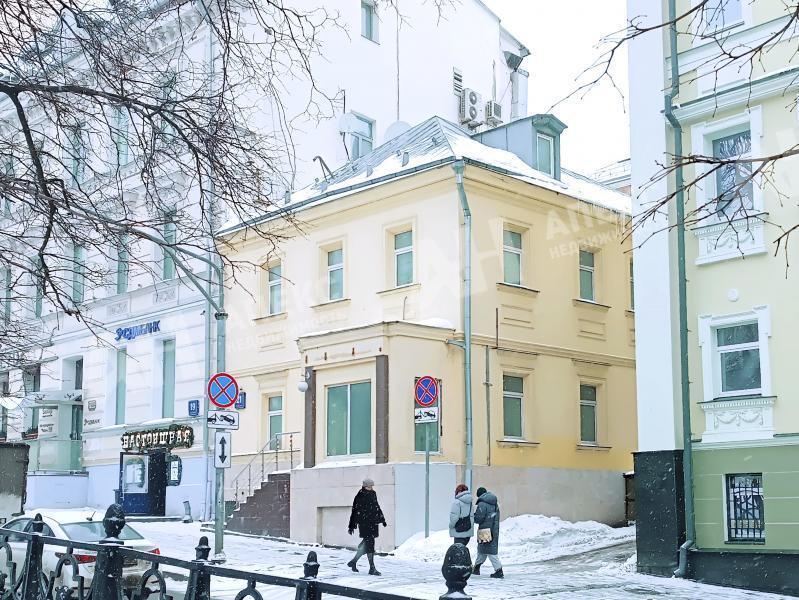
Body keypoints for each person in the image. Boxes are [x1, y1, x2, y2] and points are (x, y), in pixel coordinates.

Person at [347, 477, 387, 576]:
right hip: (364, 524)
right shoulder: (360, 496)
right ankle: (372, 568)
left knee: (366, 545)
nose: (371, 488)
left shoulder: (373, 494)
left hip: (373, 523)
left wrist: (382, 519)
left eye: (372, 486)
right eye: (369, 486)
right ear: (365, 486)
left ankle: (353, 562)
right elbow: (355, 511)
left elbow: (377, 507)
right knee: (370, 545)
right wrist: (351, 526)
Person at [472, 486, 503, 578]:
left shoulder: (482, 503)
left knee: (490, 552)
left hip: (485, 530)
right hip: (493, 529)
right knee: (482, 550)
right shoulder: (494, 503)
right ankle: (476, 568)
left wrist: (472, 516)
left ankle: (499, 570)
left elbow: (479, 518)